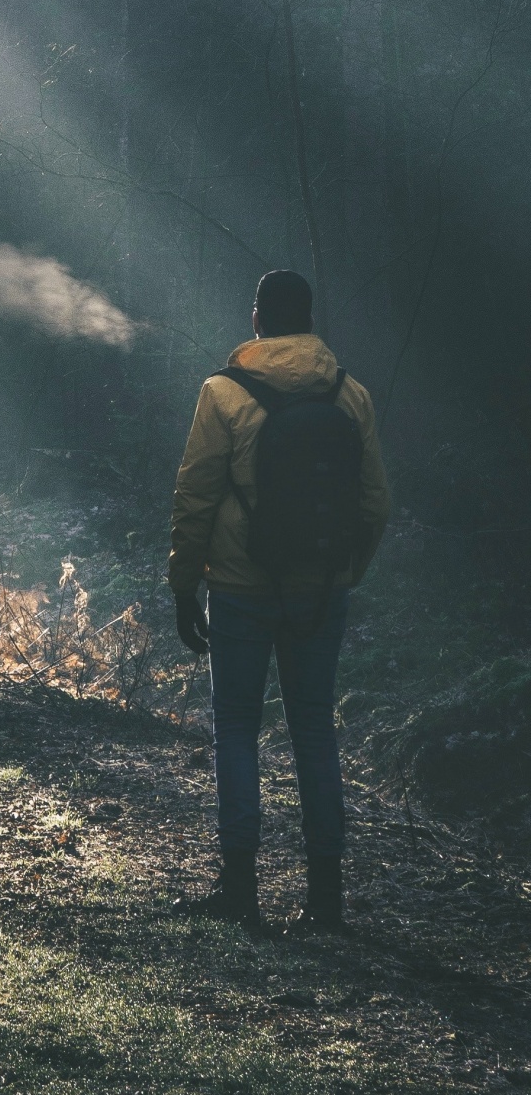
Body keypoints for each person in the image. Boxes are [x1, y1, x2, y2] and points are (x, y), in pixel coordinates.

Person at [167, 268, 391, 931]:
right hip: (321, 589)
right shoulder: (350, 396)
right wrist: (343, 572)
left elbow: (195, 497)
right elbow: (376, 504)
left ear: (257, 319)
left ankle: (241, 893)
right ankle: (325, 901)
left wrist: (185, 586)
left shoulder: (223, 394)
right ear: (311, 321)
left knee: (236, 730)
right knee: (314, 732)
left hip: (238, 587)